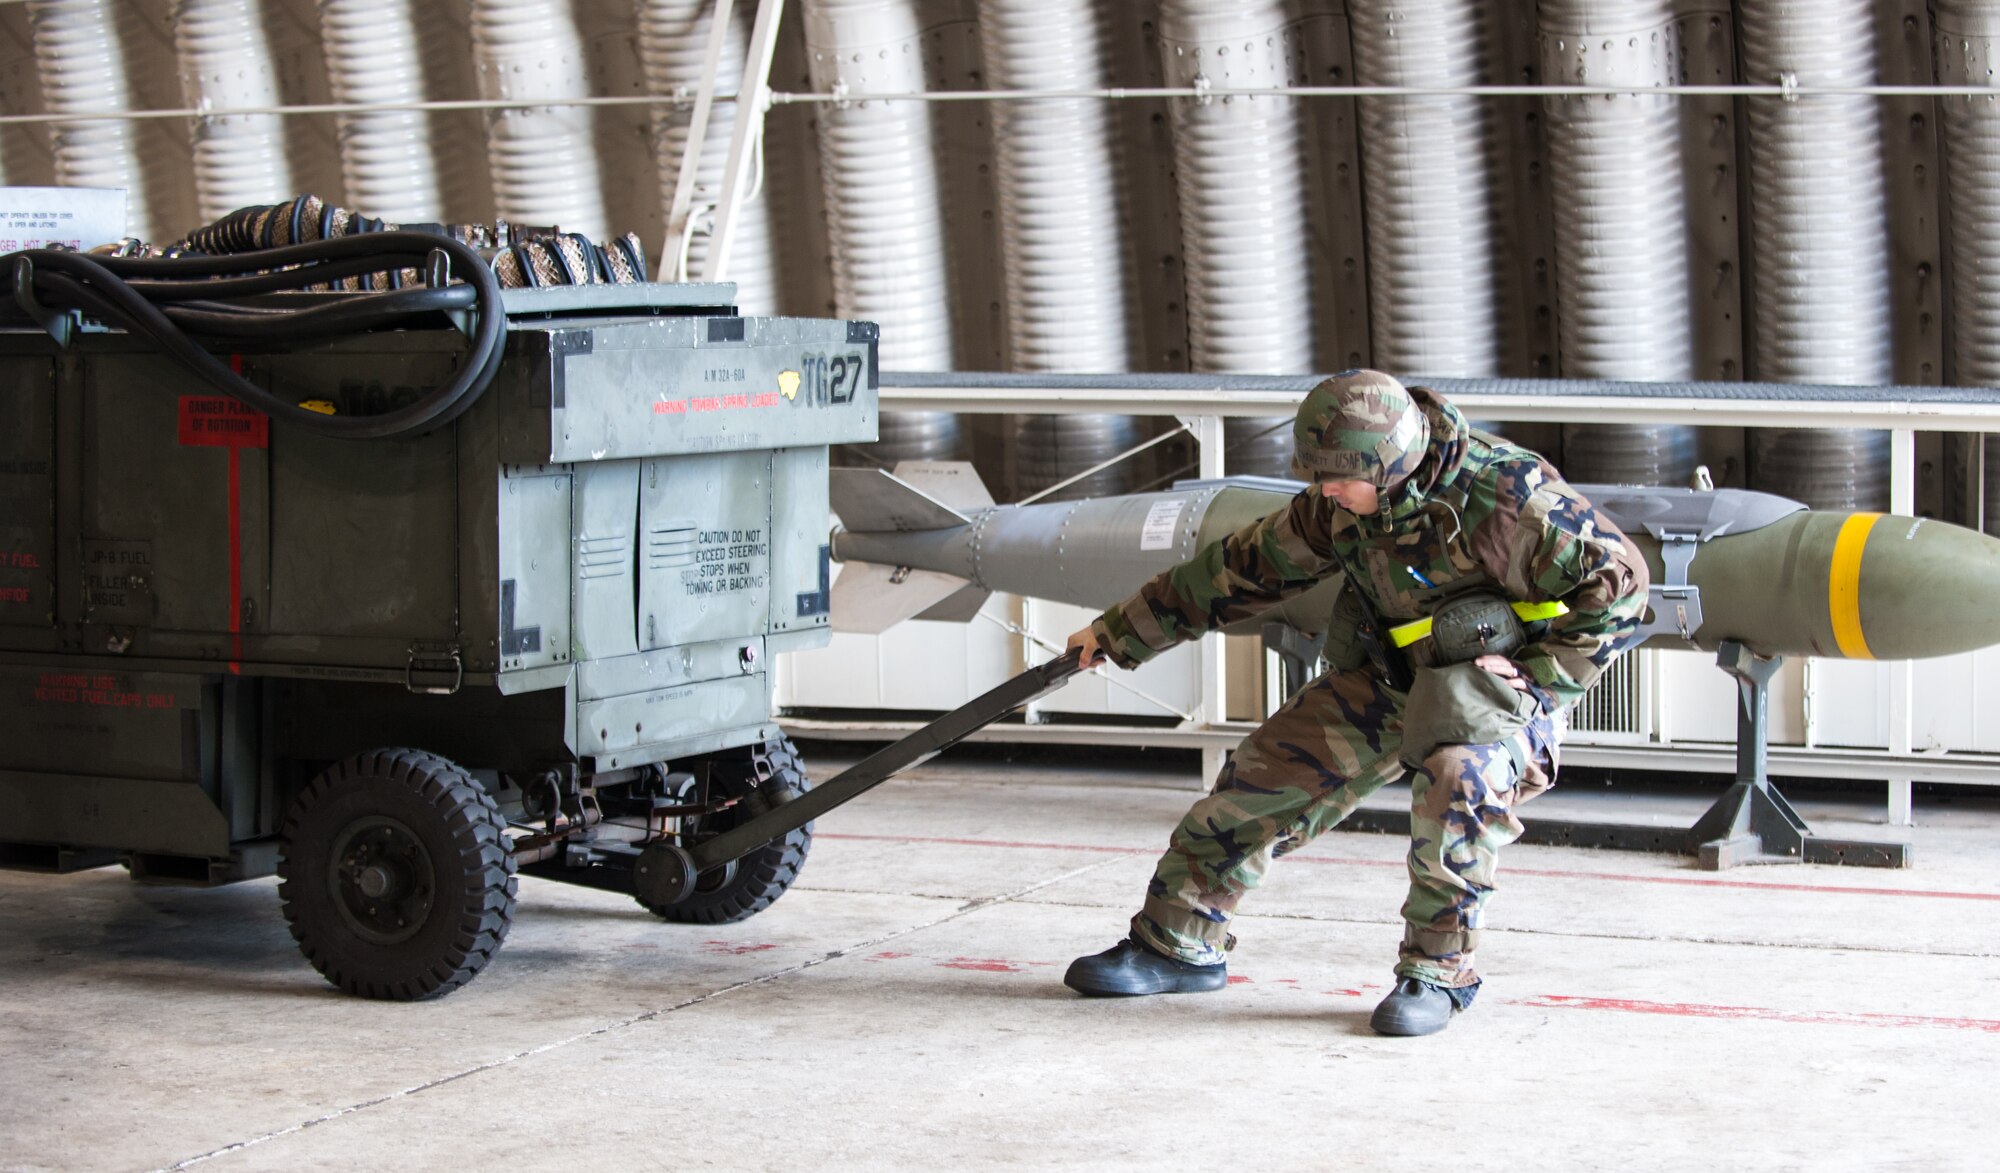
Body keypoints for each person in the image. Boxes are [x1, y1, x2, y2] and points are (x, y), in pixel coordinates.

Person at [1062, 369, 1650, 1036]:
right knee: (1263, 771)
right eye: (1318, 476)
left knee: (1461, 781)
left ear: (1391, 464)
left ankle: (1438, 974)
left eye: (1339, 478)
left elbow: (1624, 584)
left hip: (1489, 691)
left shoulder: (1510, 497)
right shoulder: (1339, 506)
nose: (1325, 491)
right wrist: (1116, 632)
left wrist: (1544, 674)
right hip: (1391, 678)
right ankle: (1176, 945)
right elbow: (1238, 568)